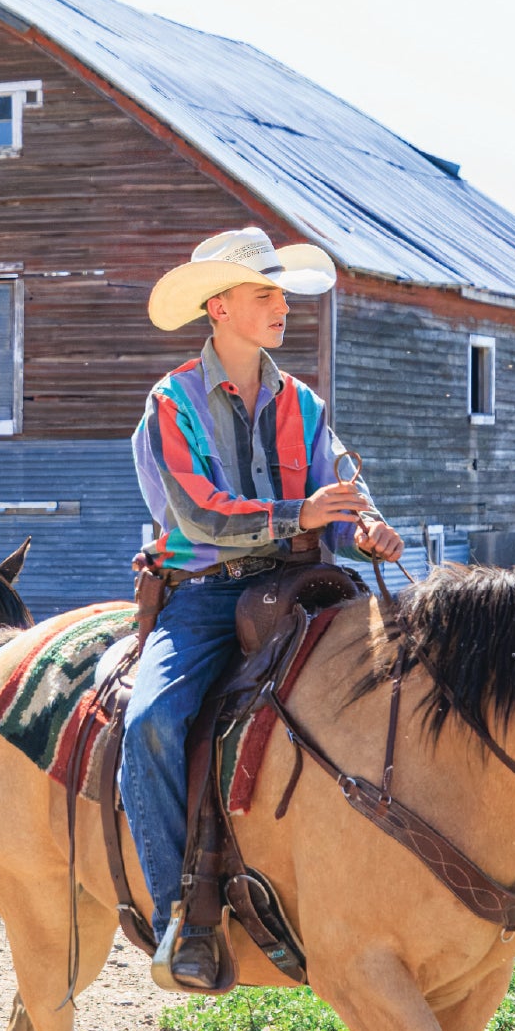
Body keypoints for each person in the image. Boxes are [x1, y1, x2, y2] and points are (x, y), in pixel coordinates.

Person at [123, 228, 404, 990]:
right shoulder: (172, 401)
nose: (283, 306)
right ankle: (178, 912)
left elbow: (338, 492)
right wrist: (304, 516)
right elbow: (198, 519)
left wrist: (364, 526)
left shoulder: (302, 403)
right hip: (209, 593)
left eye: (283, 294)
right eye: (264, 295)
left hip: (302, 584)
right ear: (219, 307)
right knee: (151, 721)